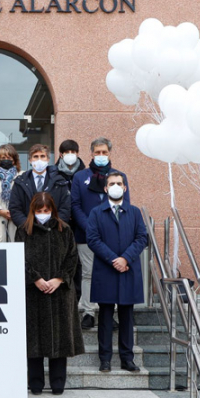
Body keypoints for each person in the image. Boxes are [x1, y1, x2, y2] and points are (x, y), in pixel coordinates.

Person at [16, 192, 84, 395]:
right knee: (33, 340)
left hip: (60, 293)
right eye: (39, 210)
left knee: (59, 338)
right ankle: (35, 383)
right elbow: (19, 258)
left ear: (53, 210)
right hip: (33, 293)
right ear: (33, 210)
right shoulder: (23, 231)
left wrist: (59, 278)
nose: (43, 214)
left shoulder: (65, 229)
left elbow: (72, 258)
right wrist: (35, 279)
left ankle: (58, 383)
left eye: (46, 210)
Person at [86, 172, 148, 373]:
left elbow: (142, 238)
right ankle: (105, 359)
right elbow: (93, 239)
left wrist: (125, 258)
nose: (115, 186)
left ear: (125, 187)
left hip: (128, 270)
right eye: (111, 183)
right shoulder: (96, 212)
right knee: (105, 316)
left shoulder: (134, 212)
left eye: (119, 183)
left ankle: (127, 358)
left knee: (126, 316)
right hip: (106, 270)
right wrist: (114, 259)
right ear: (105, 188)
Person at [71, 137, 130, 330]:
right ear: (91, 153)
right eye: (97, 152)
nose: (101, 155)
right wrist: (90, 227)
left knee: (110, 273)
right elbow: (75, 205)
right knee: (88, 273)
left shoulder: (119, 177)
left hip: (112, 237)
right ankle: (88, 312)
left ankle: (109, 313)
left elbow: (126, 205)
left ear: (110, 153)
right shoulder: (80, 177)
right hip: (86, 235)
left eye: (104, 152)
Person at [8, 144, 72, 230]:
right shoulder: (20, 182)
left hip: (53, 232)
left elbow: (65, 207)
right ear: (30, 160)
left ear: (48, 159)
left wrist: (54, 226)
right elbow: (15, 208)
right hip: (28, 232)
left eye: (42, 156)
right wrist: (28, 227)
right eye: (35, 157)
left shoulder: (59, 181)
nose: (39, 160)